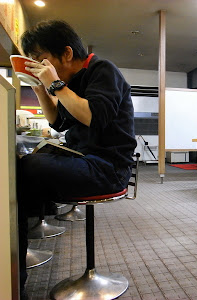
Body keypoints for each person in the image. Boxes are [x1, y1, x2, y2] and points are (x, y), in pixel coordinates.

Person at [17, 20, 136, 297]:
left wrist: (55, 84)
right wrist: (40, 90)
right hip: (83, 160)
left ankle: (16, 274)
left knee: (26, 169)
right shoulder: (73, 82)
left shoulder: (103, 70)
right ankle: (16, 261)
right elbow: (59, 123)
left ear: (66, 54)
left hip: (108, 169)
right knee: (23, 168)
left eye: (40, 58)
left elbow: (94, 116)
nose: (38, 64)